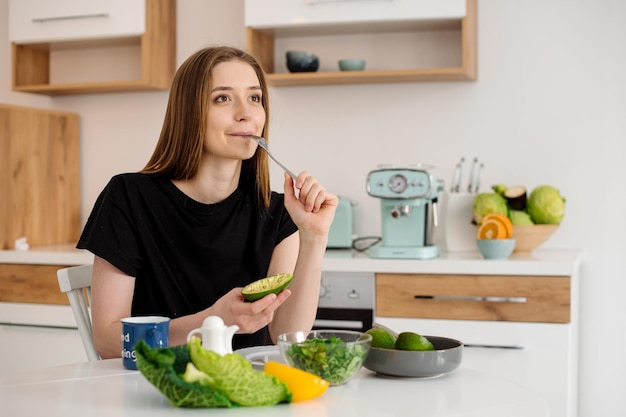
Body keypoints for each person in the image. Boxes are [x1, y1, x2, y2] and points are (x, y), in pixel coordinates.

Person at [77, 46, 338, 359]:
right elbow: (108, 342)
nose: (246, 113)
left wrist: (314, 237)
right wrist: (209, 322)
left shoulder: (279, 213)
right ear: (189, 113)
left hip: (247, 395)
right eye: (223, 98)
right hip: (156, 391)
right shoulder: (129, 197)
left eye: (255, 97)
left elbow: (286, 337)